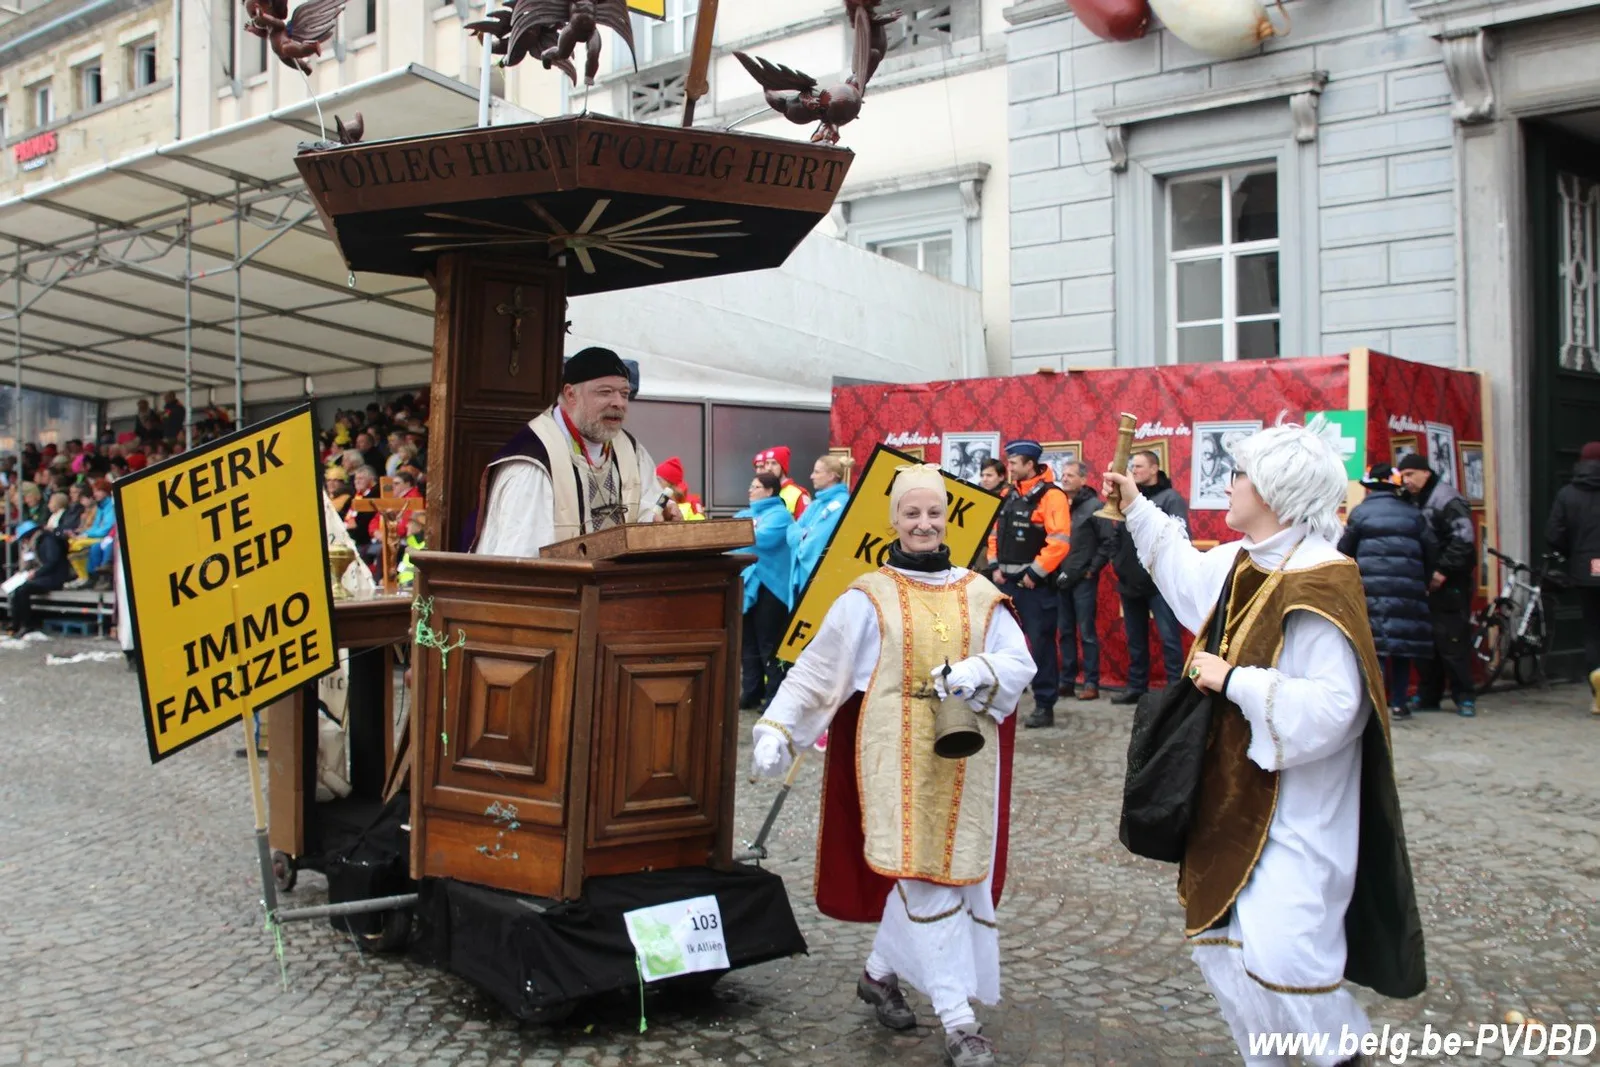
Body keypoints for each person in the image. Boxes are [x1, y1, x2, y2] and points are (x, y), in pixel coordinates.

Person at [1104, 420, 1425, 1067]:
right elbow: (1183, 571)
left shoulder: (1321, 578)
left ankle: (1343, 1055)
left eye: (1243, 474)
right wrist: (1134, 506)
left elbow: (1338, 707)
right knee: (1224, 947)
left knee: (1285, 952)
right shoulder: (1242, 560)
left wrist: (1236, 681)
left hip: (1298, 812)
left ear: (1276, 491)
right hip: (1226, 799)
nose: (1231, 481)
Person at [751, 464, 1035, 1067]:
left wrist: (980, 671)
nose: (924, 524)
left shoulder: (981, 594)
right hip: (893, 757)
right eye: (912, 513)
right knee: (921, 874)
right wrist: (778, 725)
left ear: (947, 518)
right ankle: (959, 1022)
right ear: (895, 520)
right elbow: (818, 670)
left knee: (944, 871)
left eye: (934, 513)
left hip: (965, 757)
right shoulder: (866, 596)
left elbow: (1018, 663)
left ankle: (879, 974)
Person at [474, 347, 676, 557]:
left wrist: (661, 517)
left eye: (624, 394)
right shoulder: (535, 462)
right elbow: (520, 560)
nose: (619, 403)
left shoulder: (632, 453)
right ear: (571, 394)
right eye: (605, 392)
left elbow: (645, 512)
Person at [1338, 463, 1438, 722]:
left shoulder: (1360, 513)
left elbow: (1345, 551)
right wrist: (1422, 581)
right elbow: (1431, 550)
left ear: (1371, 487)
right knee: (1402, 649)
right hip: (1408, 590)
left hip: (1370, 589)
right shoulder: (1413, 513)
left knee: (1375, 648)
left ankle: (1375, 703)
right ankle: (1399, 704)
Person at [986, 440, 1071, 727]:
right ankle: (1000, 700)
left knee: (1040, 645)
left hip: (1035, 588)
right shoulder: (1008, 493)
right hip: (1004, 583)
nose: (1009, 467)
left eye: (1013, 463)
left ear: (1029, 464)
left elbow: (1059, 541)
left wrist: (1033, 574)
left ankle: (1044, 704)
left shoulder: (1052, 496)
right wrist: (994, 566)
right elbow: (994, 532)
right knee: (1000, 641)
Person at [1396, 453, 1477, 717]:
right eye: (1403, 475)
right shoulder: (1408, 499)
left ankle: (1464, 696)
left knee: (1452, 639)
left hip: (1450, 582)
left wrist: (1443, 570)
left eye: (1410, 474)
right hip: (1421, 581)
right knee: (1424, 642)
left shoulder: (1447, 499)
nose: (1406, 480)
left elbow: (1464, 539)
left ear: (1425, 473)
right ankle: (1428, 694)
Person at [1109, 450, 1189, 705]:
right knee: (1135, 639)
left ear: (1155, 469)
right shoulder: (1129, 497)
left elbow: (1181, 536)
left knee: (1170, 639)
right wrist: (1118, 560)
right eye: (1133, 466)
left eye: (1140, 466)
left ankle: (1175, 690)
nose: (1135, 470)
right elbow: (1118, 534)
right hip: (1130, 582)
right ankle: (1136, 687)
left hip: (1159, 585)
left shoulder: (1171, 498)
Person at [1546, 441, 1600, 714]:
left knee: (1592, 630)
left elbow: (1554, 534)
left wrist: (1573, 553)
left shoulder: (1568, 494)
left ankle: (1597, 683)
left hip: (1585, 570)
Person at [1054, 460, 1114, 702]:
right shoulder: (1058, 506)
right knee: (1065, 632)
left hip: (1083, 581)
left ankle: (1091, 682)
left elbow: (1108, 542)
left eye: (1070, 475)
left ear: (1083, 479)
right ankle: (1067, 681)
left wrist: (1092, 570)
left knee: (1087, 632)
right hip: (1059, 579)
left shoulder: (1094, 507)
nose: (1065, 478)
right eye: (1063, 475)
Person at [738, 472, 795, 710]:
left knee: (769, 644)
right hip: (748, 585)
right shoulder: (745, 515)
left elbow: (760, 539)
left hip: (772, 589)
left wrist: (739, 533)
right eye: (750, 486)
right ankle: (751, 692)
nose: (750, 490)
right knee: (748, 642)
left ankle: (775, 696)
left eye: (756, 486)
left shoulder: (780, 516)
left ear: (770, 491)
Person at [787, 453, 851, 604]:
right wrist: (803, 534)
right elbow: (791, 532)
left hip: (819, 583)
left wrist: (802, 535)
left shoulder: (840, 505)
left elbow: (814, 544)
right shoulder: (816, 504)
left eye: (817, 472)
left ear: (831, 476)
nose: (811, 476)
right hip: (804, 579)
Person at [7, 522, 73, 637]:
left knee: (22, 590)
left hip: (54, 577)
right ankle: (15, 623)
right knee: (16, 590)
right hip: (43, 575)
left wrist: (36, 573)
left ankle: (26, 624)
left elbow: (52, 562)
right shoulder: (36, 543)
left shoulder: (48, 541)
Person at [971, 458, 1009, 575]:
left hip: (1001, 555)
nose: (984, 479)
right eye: (982, 475)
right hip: (980, 553)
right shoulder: (978, 495)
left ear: (1001, 477)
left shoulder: (1010, 497)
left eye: (989, 475)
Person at [754, 446, 810, 518]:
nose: (769, 468)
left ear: (783, 467)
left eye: (774, 463)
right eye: (767, 463)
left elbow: (806, 525)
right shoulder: (764, 492)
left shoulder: (798, 493)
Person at [655, 456, 707, 521]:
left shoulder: (691, 505)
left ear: (670, 484)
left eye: (658, 480)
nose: (654, 484)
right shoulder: (656, 500)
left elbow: (700, 525)